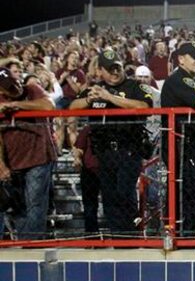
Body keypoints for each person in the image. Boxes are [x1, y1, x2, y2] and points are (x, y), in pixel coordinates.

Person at [70, 49, 154, 234]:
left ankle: (131, 235)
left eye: (117, 68)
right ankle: (118, 237)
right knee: (109, 196)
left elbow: (144, 106)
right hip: (104, 152)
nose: (115, 72)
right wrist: (88, 99)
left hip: (129, 149)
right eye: (110, 69)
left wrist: (109, 97)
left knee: (125, 192)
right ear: (100, 70)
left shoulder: (135, 86)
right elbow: (72, 107)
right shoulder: (95, 88)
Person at [160, 42, 195, 234]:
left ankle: (181, 234)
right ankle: (188, 236)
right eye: (193, 56)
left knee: (184, 195)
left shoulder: (185, 79)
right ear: (181, 59)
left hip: (183, 145)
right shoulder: (179, 79)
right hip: (180, 145)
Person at [0, 65, 57, 240]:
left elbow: (50, 106)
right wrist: (1, 165)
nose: (14, 88)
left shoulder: (32, 89)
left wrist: (17, 105)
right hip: (13, 160)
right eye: (8, 87)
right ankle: (26, 242)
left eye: (14, 82)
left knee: (35, 203)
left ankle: (32, 244)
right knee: (18, 206)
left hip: (39, 156)